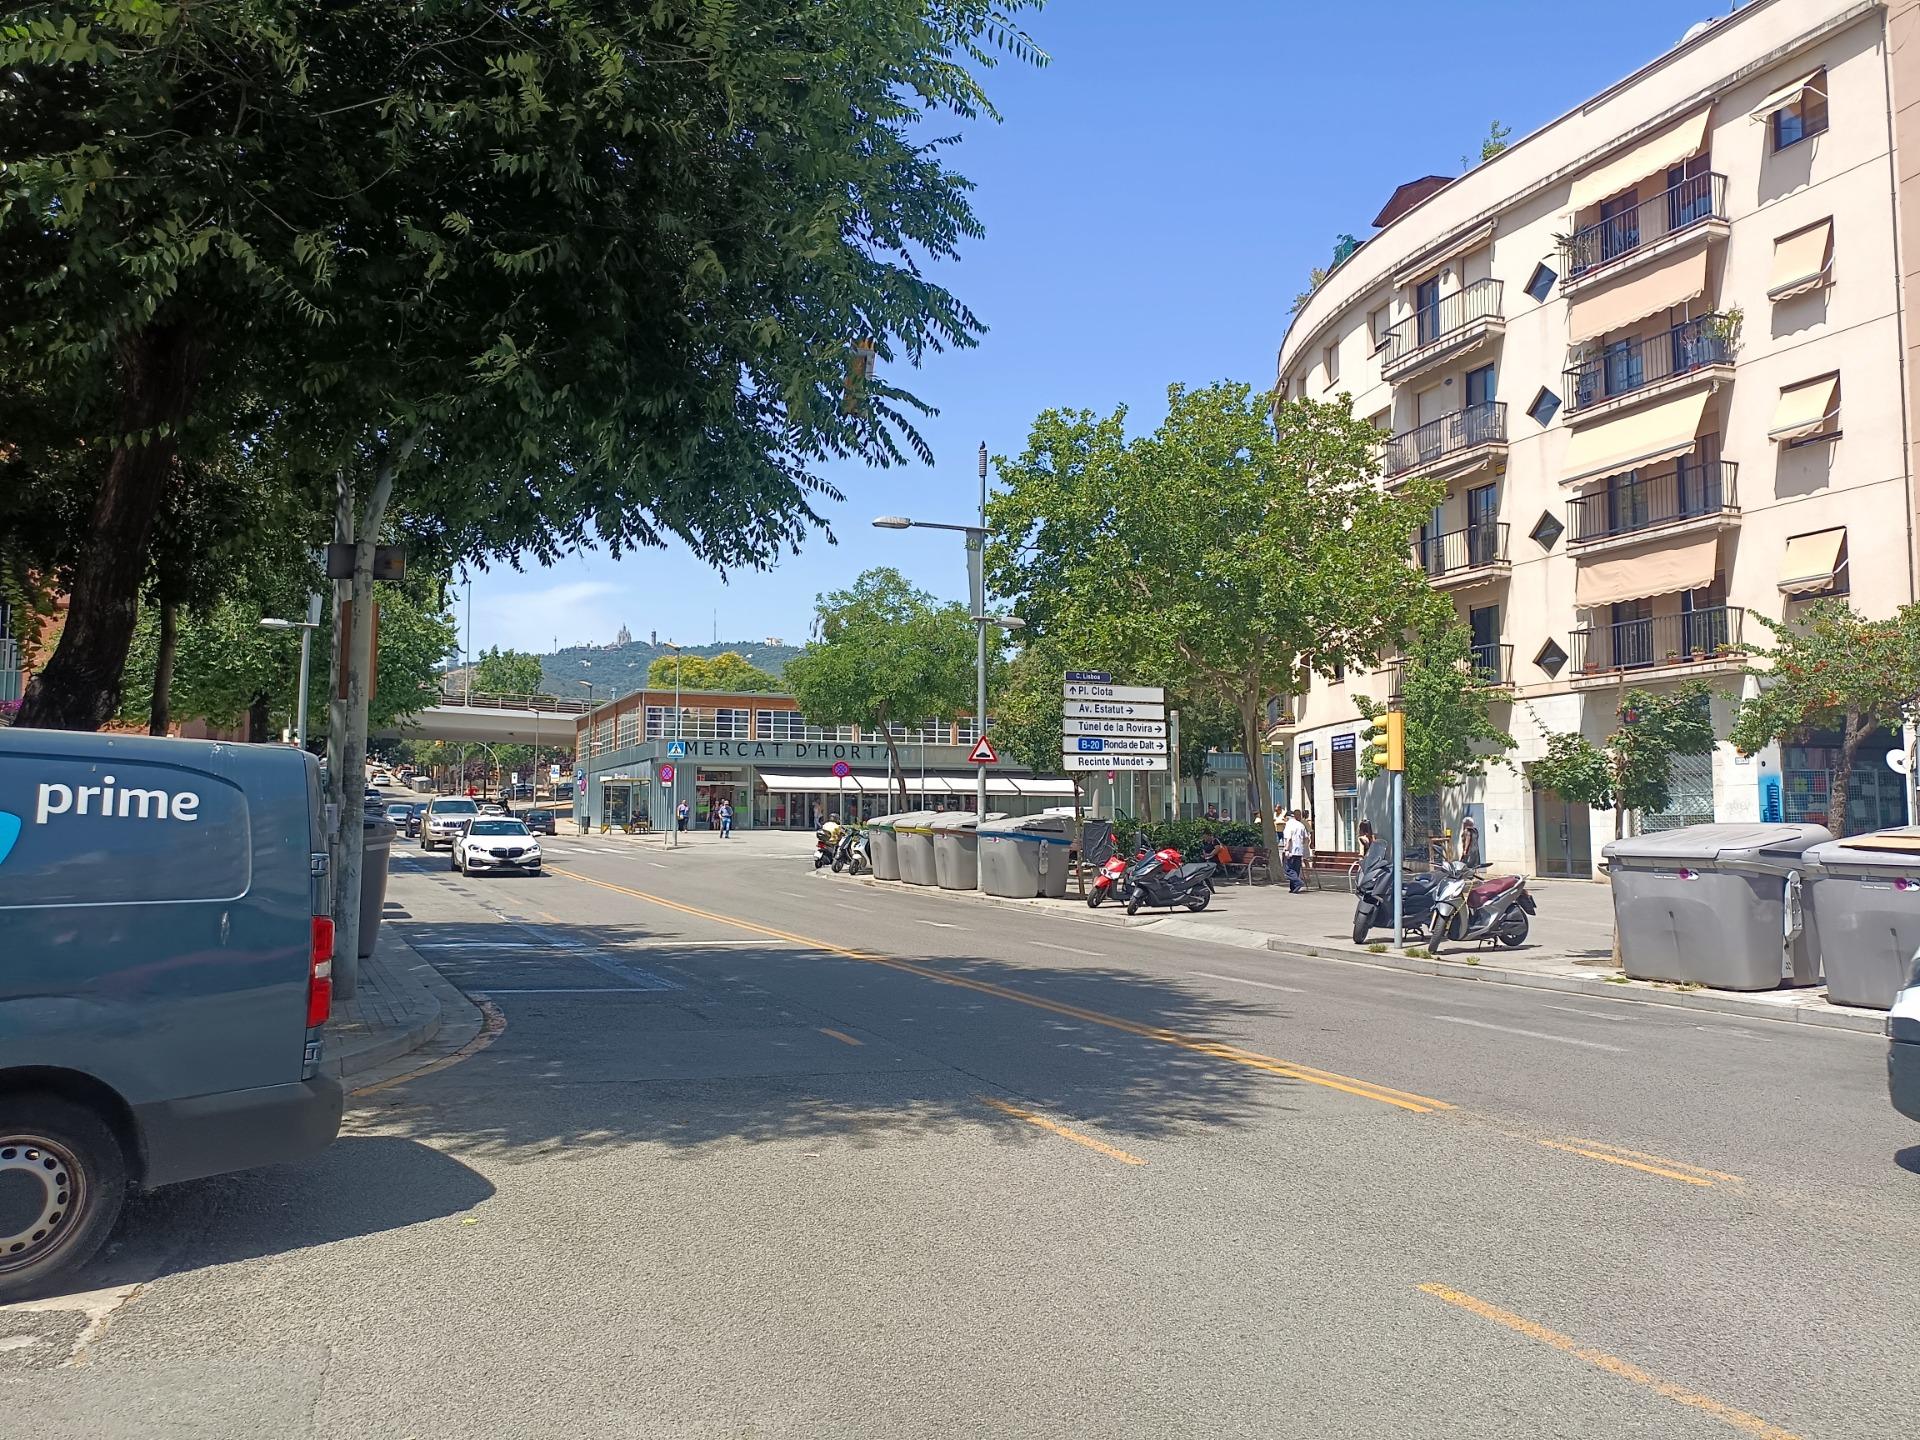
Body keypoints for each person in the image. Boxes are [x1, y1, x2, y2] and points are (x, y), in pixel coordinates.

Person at [1281, 809, 1309, 893]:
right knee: (1296, 869)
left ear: (1287, 817)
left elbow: (1288, 839)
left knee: (1288, 869)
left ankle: (1298, 882)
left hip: (1291, 851)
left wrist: (1286, 849)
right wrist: (1303, 847)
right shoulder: (1301, 825)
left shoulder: (1289, 825)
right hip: (1299, 851)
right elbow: (1306, 838)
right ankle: (1293, 887)